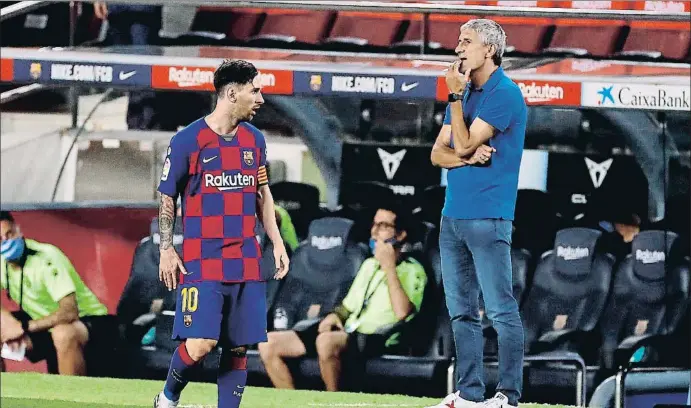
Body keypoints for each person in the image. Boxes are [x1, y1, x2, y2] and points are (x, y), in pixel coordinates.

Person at [153, 59, 290, 408]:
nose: (260, 98)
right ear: (232, 93)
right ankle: (168, 398)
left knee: (239, 345)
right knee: (201, 343)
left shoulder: (254, 140)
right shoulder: (188, 140)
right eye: (254, 90)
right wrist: (167, 248)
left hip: (246, 257)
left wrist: (276, 241)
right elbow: (167, 194)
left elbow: (263, 192)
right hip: (202, 260)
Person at [427, 19, 527, 408]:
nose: (458, 49)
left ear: (489, 50)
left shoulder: (505, 94)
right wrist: (465, 158)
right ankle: (469, 395)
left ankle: (507, 396)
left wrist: (455, 105)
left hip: (489, 216)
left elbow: (465, 139)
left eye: (466, 42)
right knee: (461, 311)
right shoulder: (466, 90)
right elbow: (438, 154)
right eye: (458, 41)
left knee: (501, 310)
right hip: (452, 216)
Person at [258, 203, 428, 391]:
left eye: (383, 226)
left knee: (326, 342)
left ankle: (334, 402)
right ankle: (293, 402)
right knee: (268, 343)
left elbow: (403, 312)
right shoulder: (369, 265)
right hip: (351, 333)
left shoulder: (414, 270)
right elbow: (348, 306)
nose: (375, 232)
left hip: (380, 337)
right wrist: (334, 316)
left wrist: (389, 268)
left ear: (401, 234)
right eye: (374, 225)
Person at [0, 211, 110, 376]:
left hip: (88, 320)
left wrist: (23, 327)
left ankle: (70, 399)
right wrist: (7, 321)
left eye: (10, 234)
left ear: (18, 230)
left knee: (63, 333)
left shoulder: (46, 257)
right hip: (44, 322)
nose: (6, 242)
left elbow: (70, 311)